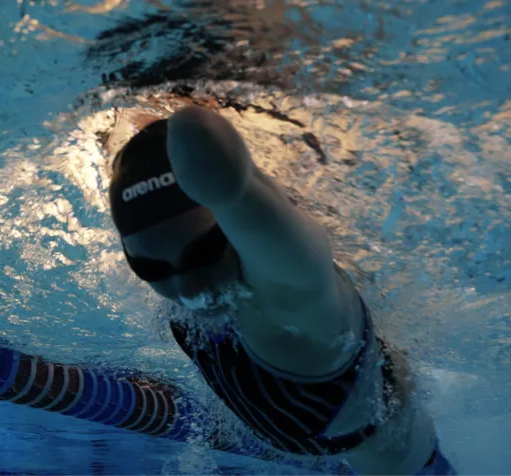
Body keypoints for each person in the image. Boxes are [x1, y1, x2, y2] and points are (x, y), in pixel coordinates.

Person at [107, 106, 456, 475]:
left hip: (380, 440)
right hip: (316, 416)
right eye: (151, 270)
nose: (190, 293)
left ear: (233, 228)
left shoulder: (290, 297)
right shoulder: (208, 282)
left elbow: (251, 208)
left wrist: (225, 183)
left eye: (204, 253)